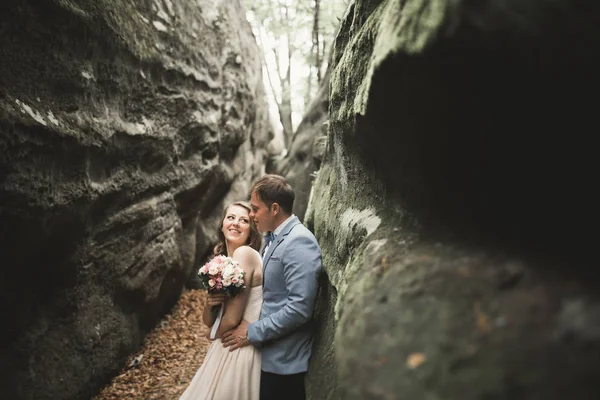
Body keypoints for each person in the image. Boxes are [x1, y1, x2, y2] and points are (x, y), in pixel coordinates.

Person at [221, 174, 323, 400]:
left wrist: (251, 331)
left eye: (255, 209)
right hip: (265, 354)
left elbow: (299, 309)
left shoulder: (299, 242)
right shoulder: (273, 238)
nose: (250, 214)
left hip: (283, 364)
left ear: (274, 209)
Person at [179, 201, 263, 400]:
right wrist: (210, 304)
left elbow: (232, 319)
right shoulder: (224, 260)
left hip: (238, 345)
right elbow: (210, 319)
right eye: (231, 217)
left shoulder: (245, 254)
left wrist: (211, 335)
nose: (235, 223)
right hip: (226, 340)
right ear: (222, 224)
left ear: (251, 232)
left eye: (243, 220)